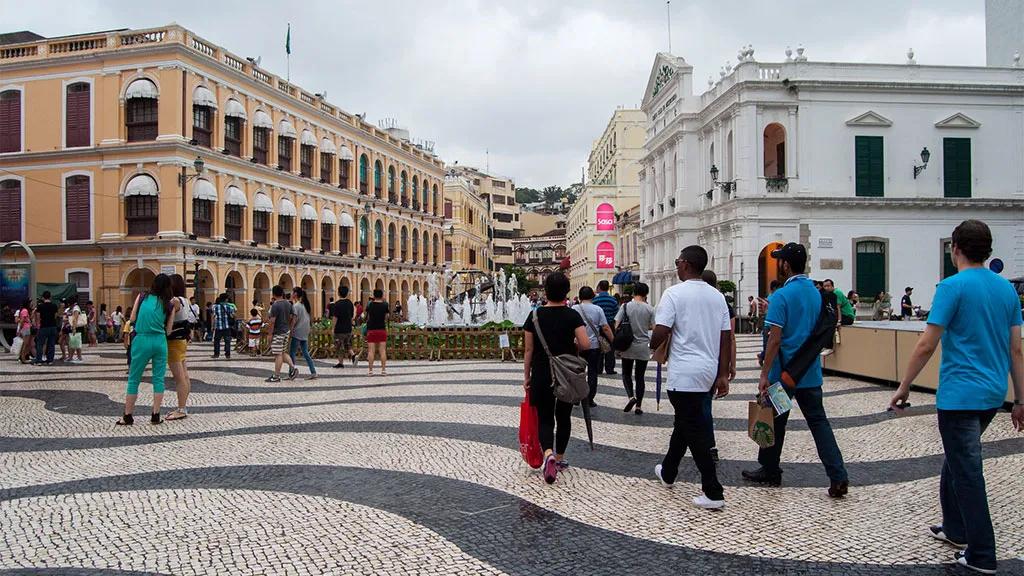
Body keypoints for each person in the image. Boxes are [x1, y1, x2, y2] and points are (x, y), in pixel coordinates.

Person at [890, 220, 1023, 575]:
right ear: (988, 250)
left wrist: (904, 386)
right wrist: (1020, 399)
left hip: (960, 394)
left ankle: (981, 554)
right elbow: (1016, 350)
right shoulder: (1006, 290)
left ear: (955, 249)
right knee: (958, 458)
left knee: (967, 471)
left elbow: (927, 343)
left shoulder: (950, 287)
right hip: (993, 394)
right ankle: (955, 528)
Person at [743, 242, 849, 498]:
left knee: (776, 421)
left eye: (780, 260)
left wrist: (764, 374)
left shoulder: (781, 296)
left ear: (786, 265)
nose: (779, 264)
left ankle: (769, 468)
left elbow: (775, 339)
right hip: (809, 373)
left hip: (783, 376)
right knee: (819, 423)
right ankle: (838, 476)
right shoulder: (817, 293)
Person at [649, 245, 731, 510]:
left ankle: (713, 490)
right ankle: (669, 471)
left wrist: (652, 344)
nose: (676, 266)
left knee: (695, 431)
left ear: (685, 264)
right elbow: (725, 338)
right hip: (707, 371)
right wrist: (722, 374)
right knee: (685, 423)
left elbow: (661, 330)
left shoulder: (673, 294)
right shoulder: (717, 297)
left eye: (677, 261)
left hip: (684, 373)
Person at [522, 272, 589, 484]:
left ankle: (548, 453)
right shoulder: (572, 315)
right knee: (563, 417)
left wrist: (526, 377)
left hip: (541, 373)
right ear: (566, 291)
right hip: (566, 375)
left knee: (544, 417)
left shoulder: (534, 317)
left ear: (546, 291)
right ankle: (559, 459)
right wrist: (573, 346)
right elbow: (586, 344)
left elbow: (528, 351)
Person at [117, 273, 173, 426]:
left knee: (134, 379)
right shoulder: (169, 304)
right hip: (160, 341)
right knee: (158, 379)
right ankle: (155, 415)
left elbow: (133, 318)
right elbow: (168, 330)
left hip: (142, 339)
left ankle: (127, 416)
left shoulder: (142, 297)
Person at [614, 282, 655, 415]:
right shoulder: (650, 309)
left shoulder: (625, 306)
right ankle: (638, 406)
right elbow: (653, 327)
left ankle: (631, 397)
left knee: (626, 373)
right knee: (640, 377)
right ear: (646, 294)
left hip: (628, 345)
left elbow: (616, 324)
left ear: (633, 293)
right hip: (643, 346)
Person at [573, 286, 614, 408]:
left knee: (577, 372)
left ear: (580, 296)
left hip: (578, 345)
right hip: (594, 345)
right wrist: (613, 340)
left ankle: (577, 397)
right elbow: (605, 327)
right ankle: (590, 398)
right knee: (592, 372)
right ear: (592, 296)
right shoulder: (597, 309)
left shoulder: (574, 308)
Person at [165, 274, 194, 421]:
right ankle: (183, 406)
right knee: (185, 375)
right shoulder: (185, 300)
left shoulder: (174, 301)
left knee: (179, 378)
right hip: (182, 340)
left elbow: (169, 320)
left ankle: (181, 408)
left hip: (174, 342)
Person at [264, 285, 297, 382]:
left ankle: (276, 376)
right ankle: (293, 368)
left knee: (278, 354)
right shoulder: (288, 304)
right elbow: (293, 317)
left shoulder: (275, 305)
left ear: (273, 294)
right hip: (286, 331)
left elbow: (272, 321)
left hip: (278, 333)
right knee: (283, 352)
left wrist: (269, 335)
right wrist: (290, 328)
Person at [289, 287, 317, 380]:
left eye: (292, 292)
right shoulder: (305, 305)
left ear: (295, 294)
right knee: (305, 352)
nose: (291, 294)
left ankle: (291, 372)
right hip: (305, 331)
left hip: (298, 331)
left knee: (292, 353)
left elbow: (294, 319)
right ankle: (313, 372)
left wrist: (291, 329)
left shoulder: (296, 306)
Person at [592, 280, 619, 375]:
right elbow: (616, 313)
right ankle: (609, 368)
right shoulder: (613, 300)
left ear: (599, 287)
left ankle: (598, 368)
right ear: (608, 288)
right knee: (610, 348)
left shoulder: (595, 300)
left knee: (599, 347)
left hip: (598, 326)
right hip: (610, 325)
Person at [365, 289, 390, 376]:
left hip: (371, 329)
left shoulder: (370, 305)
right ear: (382, 295)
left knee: (371, 351)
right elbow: (386, 317)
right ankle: (383, 370)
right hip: (381, 329)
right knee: (382, 351)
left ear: (374, 296)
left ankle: (370, 371)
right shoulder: (385, 305)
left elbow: (367, 317)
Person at [332, 286, 356, 368]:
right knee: (347, 344)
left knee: (339, 346)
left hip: (339, 329)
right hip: (348, 328)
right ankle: (353, 355)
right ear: (347, 293)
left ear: (338, 293)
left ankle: (341, 363)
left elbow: (335, 317)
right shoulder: (350, 303)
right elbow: (352, 316)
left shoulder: (337, 304)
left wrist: (333, 328)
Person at [32, 292, 58, 365]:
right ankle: (50, 360)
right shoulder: (54, 306)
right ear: (50, 297)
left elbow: (38, 316)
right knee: (51, 344)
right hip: (52, 326)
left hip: (43, 327)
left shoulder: (40, 306)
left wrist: (37, 325)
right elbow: (56, 316)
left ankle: (39, 360)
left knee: (40, 344)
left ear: (43, 298)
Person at [211, 294, 234, 359]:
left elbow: (213, 317)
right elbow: (233, 316)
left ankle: (216, 354)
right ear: (226, 299)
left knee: (217, 341)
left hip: (218, 327)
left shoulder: (216, 307)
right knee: (227, 341)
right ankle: (228, 355)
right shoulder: (229, 307)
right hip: (227, 327)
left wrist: (212, 326)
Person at [67, 296, 85, 363]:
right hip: (77, 327)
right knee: (75, 342)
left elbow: (75, 318)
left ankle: (76, 357)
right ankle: (76, 357)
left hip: (77, 327)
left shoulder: (75, 308)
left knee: (75, 342)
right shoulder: (76, 307)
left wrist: (74, 328)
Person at [16, 299, 33, 364]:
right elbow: (22, 320)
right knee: (25, 344)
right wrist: (20, 329)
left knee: (25, 344)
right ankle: (23, 358)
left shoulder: (24, 310)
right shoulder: (25, 310)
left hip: (25, 328)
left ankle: (22, 357)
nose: (31, 304)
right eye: (30, 302)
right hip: (26, 328)